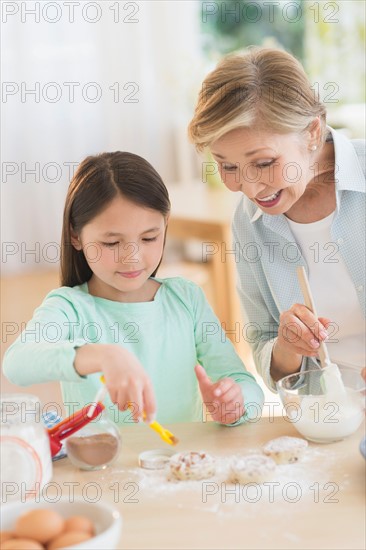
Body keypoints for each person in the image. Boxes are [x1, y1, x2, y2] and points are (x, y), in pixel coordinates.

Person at [3, 152, 264, 425]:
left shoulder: (186, 298)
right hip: (101, 464)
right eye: (112, 243)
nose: (132, 257)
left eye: (149, 238)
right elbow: (16, 364)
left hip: (177, 462)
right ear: (75, 236)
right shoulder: (69, 307)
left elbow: (245, 383)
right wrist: (102, 355)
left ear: (165, 225)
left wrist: (236, 402)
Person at [188, 47, 365, 391]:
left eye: (265, 162)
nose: (250, 187)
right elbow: (265, 354)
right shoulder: (249, 221)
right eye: (228, 166)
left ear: (312, 132)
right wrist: (287, 348)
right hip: (322, 419)